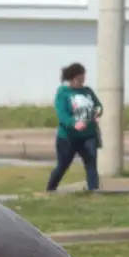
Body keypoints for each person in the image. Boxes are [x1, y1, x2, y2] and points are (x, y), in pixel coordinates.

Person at [47, 61, 102, 192]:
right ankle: (51, 188)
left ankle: (93, 189)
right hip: (68, 137)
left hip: (88, 135)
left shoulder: (87, 91)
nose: (82, 81)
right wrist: (74, 123)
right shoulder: (63, 93)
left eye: (83, 78)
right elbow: (62, 113)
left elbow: (98, 105)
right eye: (79, 78)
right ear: (71, 78)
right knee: (63, 165)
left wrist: (98, 111)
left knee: (91, 163)